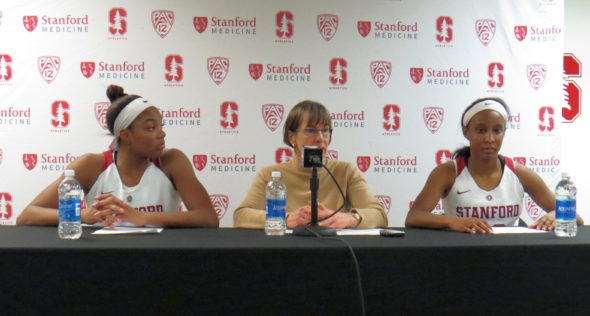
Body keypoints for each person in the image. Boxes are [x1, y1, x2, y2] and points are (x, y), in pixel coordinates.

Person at [17, 85, 218, 228]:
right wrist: (82, 215)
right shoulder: (92, 164)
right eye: (150, 128)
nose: (162, 134)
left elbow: (208, 218)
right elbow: (28, 216)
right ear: (125, 135)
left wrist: (142, 217)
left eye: (161, 126)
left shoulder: (172, 161)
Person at [405, 97, 583, 233]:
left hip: (510, 256)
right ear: (467, 131)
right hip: (461, 255)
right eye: (481, 130)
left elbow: (577, 218)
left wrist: (555, 214)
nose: (489, 138)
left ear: (504, 132)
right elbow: (414, 217)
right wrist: (453, 221)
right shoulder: (448, 171)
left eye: (497, 131)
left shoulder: (519, 173)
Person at [234, 100, 388, 229]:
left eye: (325, 131)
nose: (320, 138)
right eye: (310, 131)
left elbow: (379, 215)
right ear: (292, 137)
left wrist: (349, 219)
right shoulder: (270, 174)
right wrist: (285, 219)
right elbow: (241, 216)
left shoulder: (346, 171)